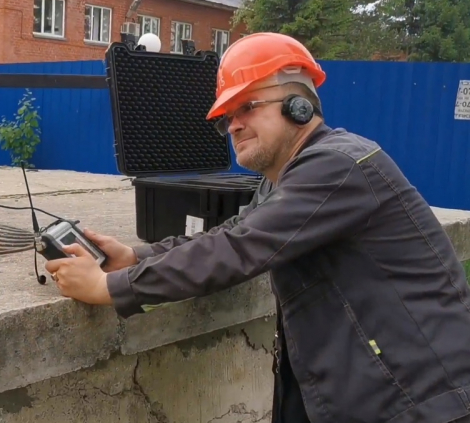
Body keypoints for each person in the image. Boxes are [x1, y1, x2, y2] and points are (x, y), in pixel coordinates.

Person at [44, 32, 470, 423]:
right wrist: (136, 257)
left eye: (247, 106)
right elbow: (231, 232)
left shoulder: (339, 164)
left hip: (424, 402)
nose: (233, 125)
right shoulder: (284, 178)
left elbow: (238, 249)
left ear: (299, 105)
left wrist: (110, 289)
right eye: (227, 116)